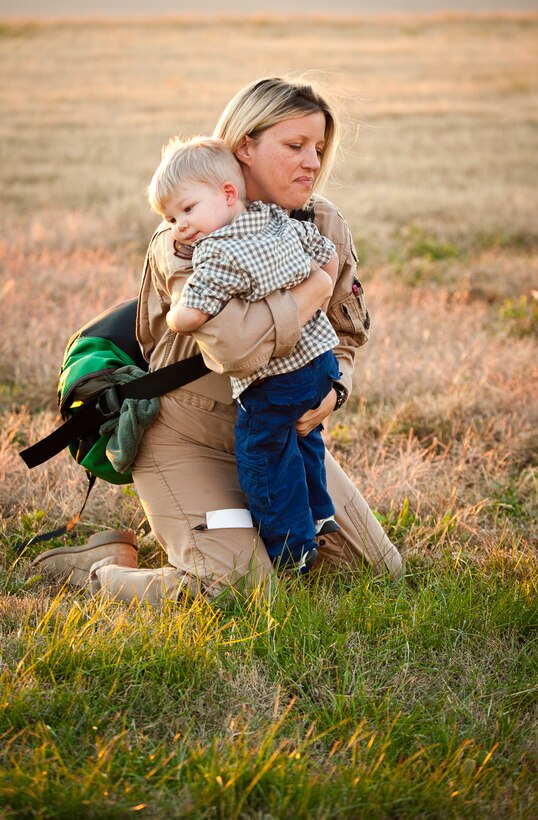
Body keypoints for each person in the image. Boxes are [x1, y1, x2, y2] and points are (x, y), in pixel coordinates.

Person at [33, 76, 404, 602]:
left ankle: (240, 532)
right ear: (244, 146)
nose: (312, 162)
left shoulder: (322, 222)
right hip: (185, 438)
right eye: (294, 146)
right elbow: (232, 348)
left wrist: (335, 387)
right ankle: (99, 570)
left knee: (372, 572)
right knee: (244, 591)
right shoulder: (185, 236)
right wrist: (314, 287)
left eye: (318, 148)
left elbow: (344, 334)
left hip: (280, 434)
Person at [147, 134, 342, 573]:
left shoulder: (213, 251)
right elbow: (326, 260)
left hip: (273, 380)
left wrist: (178, 314)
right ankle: (318, 513)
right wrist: (317, 293)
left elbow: (193, 316)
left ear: (228, 193)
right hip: (316, 363)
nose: (179, 225)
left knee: (263, 455)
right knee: (304, 441)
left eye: (186, 210)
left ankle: (291, 547)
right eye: (173, 216)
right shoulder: (275, 217)